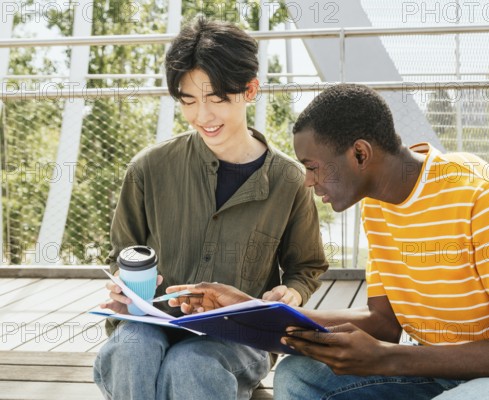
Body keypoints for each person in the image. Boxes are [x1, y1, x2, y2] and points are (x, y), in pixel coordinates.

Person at [167, 83, 489, 399]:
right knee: (300, 375)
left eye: (314, 166)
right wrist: (256, 311)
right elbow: (384, 324)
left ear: (360, 154)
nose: (307, 182)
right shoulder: (377, 205)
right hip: (447, 367)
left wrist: (390, 360)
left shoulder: (483, 198)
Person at [92, 17, 328, 400]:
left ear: (250, 90)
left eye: (216, 98)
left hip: (239, 334)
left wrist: (293, 294)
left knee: (192, 364)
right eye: (188, 100)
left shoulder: (289, 180)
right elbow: (122, 253)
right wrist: (123, 280)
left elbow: (307, 267)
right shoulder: (148, 168)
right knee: (132, 351)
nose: (202, 115)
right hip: (151, 324)